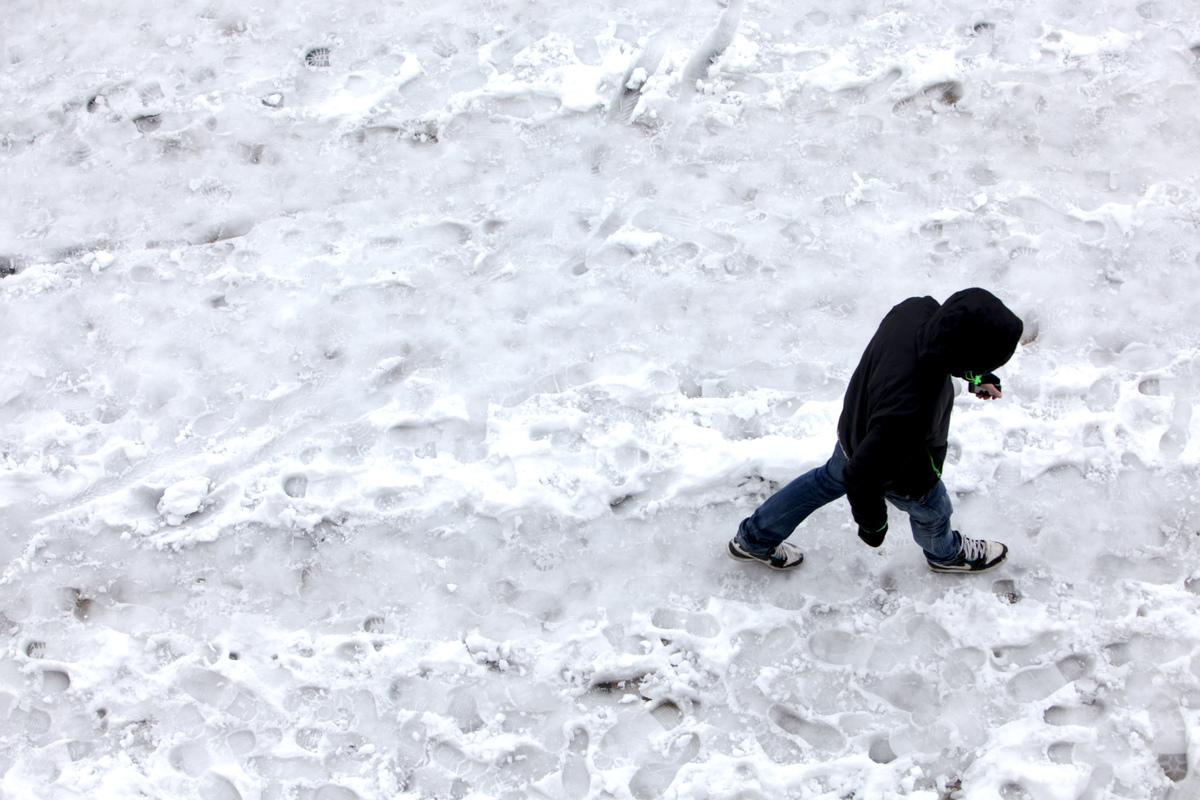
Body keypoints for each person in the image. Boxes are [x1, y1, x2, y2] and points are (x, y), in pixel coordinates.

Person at [728, 288, 1023, 574]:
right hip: (903, 473)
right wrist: (873, 526)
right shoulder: (913, 409)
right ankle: (945, 554)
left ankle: (753, 539)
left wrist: (975, 374)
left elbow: (938, 347)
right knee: (934, 512)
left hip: (856, 429)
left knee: (825, 481)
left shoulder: (917, 310)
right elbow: (864, 478)